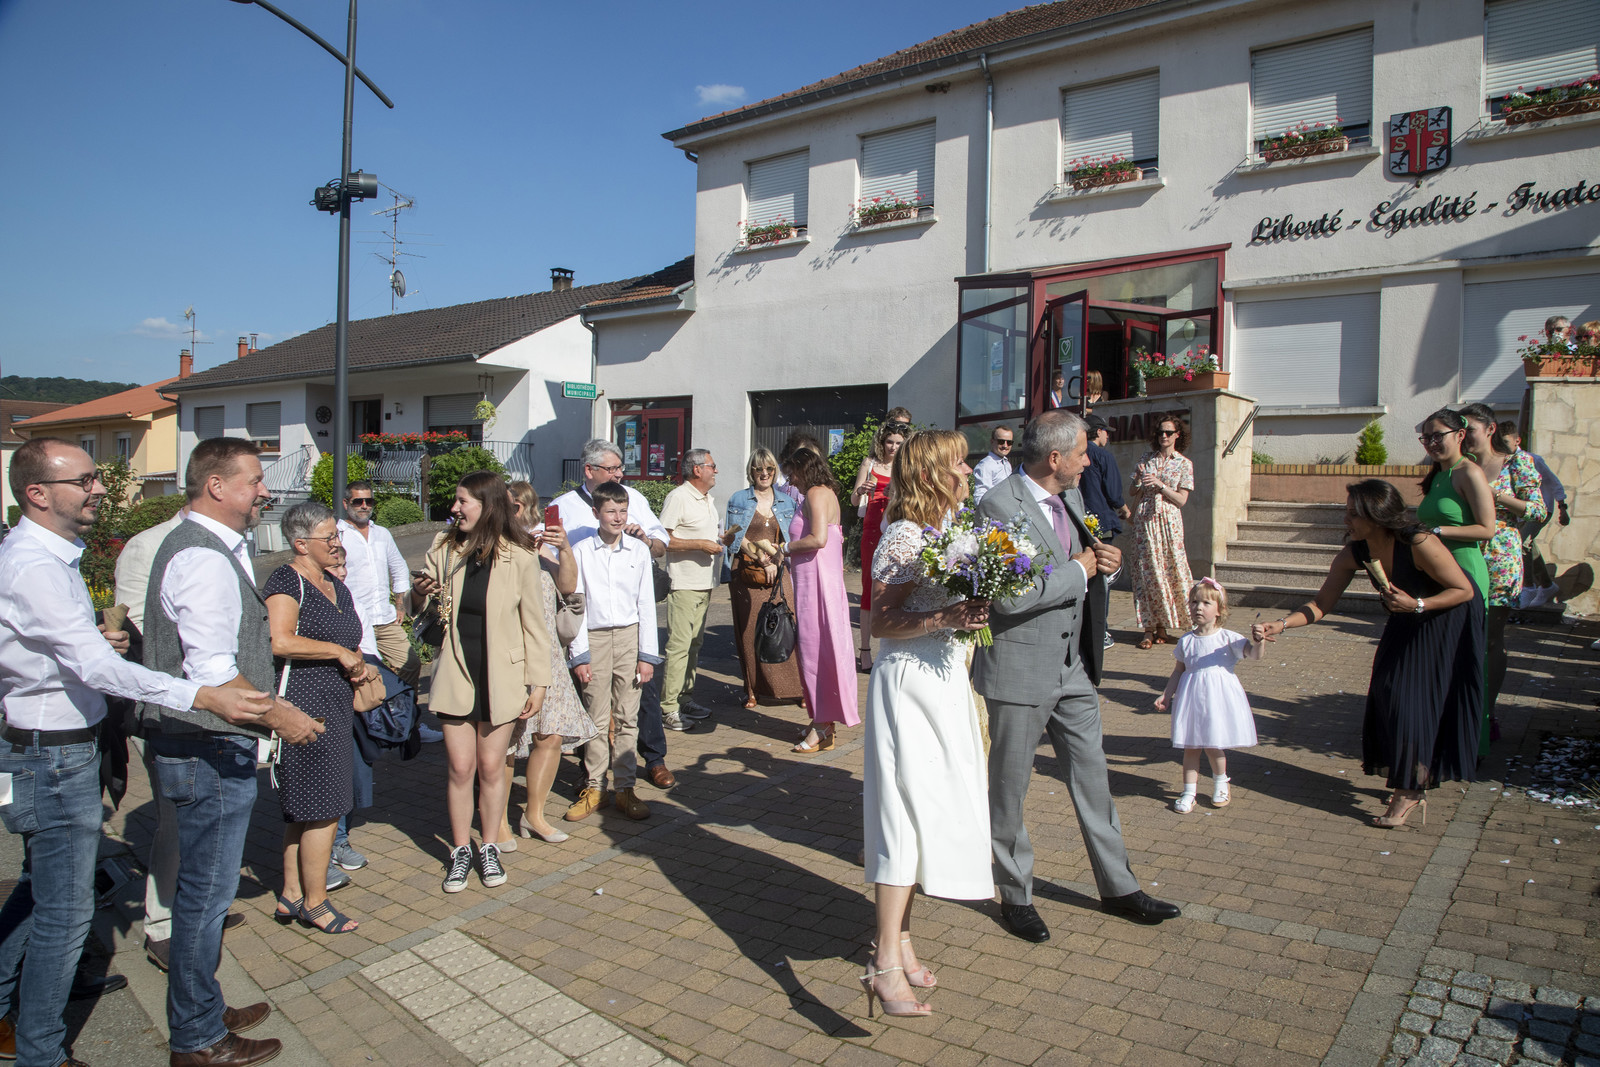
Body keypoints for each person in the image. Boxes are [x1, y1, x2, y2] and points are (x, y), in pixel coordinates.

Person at [0, 438, 279, 1067]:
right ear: (38, 493)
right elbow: (98, 668)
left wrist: (97, 647)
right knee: (66, 918)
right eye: (85, 480)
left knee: (42, 893)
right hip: (51, 753)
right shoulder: (34, 565)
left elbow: (62, 656)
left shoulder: (52, 558)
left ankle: (10, 1013)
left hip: (65, 743)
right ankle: (41, 1051)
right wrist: (203, 696)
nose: (100, 488)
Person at [140, 436, 324, 1067]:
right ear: (215, 485)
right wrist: (283, 716)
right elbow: (213, 671)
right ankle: (196, 1038)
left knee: (203, 895)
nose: (264, 491)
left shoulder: (209, 546)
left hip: (201, 748)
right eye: (253, 481)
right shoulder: (202, 557)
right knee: (205, 897)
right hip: (205, 749)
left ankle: (203, 1005)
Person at [974, 410, 1180, 942]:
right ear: (1055, 458)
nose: (1091, 460)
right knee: (1009, 789)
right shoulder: (998, 507)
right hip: (1020, 671)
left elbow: (1078, 561)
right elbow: (1008, 595)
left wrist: (1101, 560)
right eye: (1084, 452)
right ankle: (1015, 894)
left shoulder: (1071, 498)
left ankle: (1119, 887)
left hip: (1074, 668)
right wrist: (1080, 570)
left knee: (1094, 779)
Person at [1254, 480, 1482, 827]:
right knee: (1387, 691)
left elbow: (1463, 590)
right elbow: (1320, 604)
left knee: (1411, 700)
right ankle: (1410, 775)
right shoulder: (1354, 552)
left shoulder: (1419, 542)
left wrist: (1417, 603)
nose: (1346, 519)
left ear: (1376, 515)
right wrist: (1280, 625)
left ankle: (1410, 790)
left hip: (1445, 615)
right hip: (1406, 614)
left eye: (1353, 513)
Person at [859, 430, 994, 1020]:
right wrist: (949, 614)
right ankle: (884, 963)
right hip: (908, 684)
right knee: (902, 815)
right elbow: (881, 624)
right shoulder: (907, 536)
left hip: (944, 682)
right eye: (958, 463)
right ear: (932, 472)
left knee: (927, 811)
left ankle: (903, 944)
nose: (968, 470)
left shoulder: (950, 532)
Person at [115, 502, 246, 973]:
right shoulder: (147, 545)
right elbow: (129, 630)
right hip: (175, 709)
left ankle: (197, 910)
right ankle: (164, 924)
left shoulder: (229, 545)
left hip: (220, 705)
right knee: (175, 822)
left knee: (206, 825)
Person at [410, 471, 551, 894]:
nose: (454, 509)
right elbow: (416, 605)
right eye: (455, 502)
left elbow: (535, 626)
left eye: (462, 502)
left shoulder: (521, 556)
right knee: (460, 767)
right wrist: (419, 592)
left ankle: (488, 845)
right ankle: (459, 851)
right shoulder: (445, 548)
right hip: (456, 672)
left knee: (492, 768)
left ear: (486, 505)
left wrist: (539, 682)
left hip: (503, 676)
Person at [264, 502, 371, 934]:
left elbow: (348, 636)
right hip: (304, 706)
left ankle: (292, 895)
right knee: (322, 809)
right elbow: (280, 641)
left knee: (308, 809)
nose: (337, 544)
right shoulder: (287, 580)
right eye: (329, 537)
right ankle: (316, 901)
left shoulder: (331, 583)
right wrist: (338, 652)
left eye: (337, 536)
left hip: (336, 701)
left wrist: (358, 658)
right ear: (299, 543)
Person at [551, 439, 675, 790]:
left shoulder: (631, 499)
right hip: (589, 622)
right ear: (589, 471)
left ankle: (652, 759)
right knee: (590, 701)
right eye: (612, 469)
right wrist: (566, 560)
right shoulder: (563, 508)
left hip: (629, 619)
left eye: (621, 468)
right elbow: (544, 556)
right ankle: (591, 775)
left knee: (638, 698)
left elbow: (661, 543)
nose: (620, 474)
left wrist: (643, 541)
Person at [499, 481, 596, 845]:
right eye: (512, 506)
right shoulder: (495, 549)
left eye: (524, 506)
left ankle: (534, 815)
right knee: (506, 741)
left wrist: (563, 547)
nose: (519, 513)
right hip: (510, 654)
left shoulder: (542, 550)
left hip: (549, 654)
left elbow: (568, 588)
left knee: (550, 735)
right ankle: (498, 822)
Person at [331, 481, 418, 875]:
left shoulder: (381, 534)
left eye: (369, 501)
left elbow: (399, 567)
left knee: (408, 666)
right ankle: (335, 840)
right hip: (353, 641)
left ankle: (405, 722)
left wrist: (401, 603)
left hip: (377, 620)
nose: (365, 506)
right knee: (347, 749)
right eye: (358, 501)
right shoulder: (337, 534)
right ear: (346, 504)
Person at [566, 481, 660, 822]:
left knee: (627, 716)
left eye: (623, 511)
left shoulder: (637, 551)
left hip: (629, 638)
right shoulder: (580, 551)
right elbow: (577, 605)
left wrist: (646, 655)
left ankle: (625, 788)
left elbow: (646, 605)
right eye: (611, 511)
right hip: (595, 638)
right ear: (596, 513)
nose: (618, 518)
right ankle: (594, 786)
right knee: (595, 715)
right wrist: (580, 655)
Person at [1458, 404, 1543, 730]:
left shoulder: (1517, 462)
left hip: (1500, 560)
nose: (1465, 436)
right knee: (1462, 635)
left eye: (1471, 429)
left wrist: (1493, 495)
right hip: (1464, 556)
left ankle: (1486, 712)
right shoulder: (1460, 465)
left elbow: (1537, 510)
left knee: (1491, 639)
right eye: (1461, 430)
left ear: (1490, 429)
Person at [1414, 408, 1495, 753]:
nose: (1432, 443)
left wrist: (1437, 530)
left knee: (1465, 659)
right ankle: (1443, 738)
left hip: (1465, 572)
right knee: (1441, 660)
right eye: (1426, 437)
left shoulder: (1468, 473)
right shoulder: (1438, 475)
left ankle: (1470, 745)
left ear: (1459, 435)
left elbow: (1486, 528)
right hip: (1437, 572)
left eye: (1438, 436)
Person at [1154, 579, 1262, 813]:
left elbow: (1254, 655)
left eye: (1205, 602)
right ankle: (1188, 792)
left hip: (1217, 699)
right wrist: (1166, 695)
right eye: (1194, 602)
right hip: (1192, 699)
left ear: (1219, 610)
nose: (1198, 607)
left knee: (1213, 745)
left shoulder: (1228, 638)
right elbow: (1178, 671)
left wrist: (1259, 641)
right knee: (1191, 746)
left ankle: (1221, 782)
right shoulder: (1186, 641)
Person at [779, 447, 861, 753]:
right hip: (821, 583)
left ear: (805, 470)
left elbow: (818, 539)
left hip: (816, 586)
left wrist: (784, 548)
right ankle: (824, 721)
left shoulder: (815, 493)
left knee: (815, 654)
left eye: (793, 474)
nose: (792, 481)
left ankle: (822, 725)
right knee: (824, 651)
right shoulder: (826, 493)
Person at [658, 450, 736, 729]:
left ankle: (685, 698)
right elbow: (663, 539)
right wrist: (700, 545)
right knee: (679, 646)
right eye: (712, 466)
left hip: (705, 583)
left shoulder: (706, 499)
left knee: (694, 645)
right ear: (696, 470)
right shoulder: (678, 497)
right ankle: (668, 708)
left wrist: (720, 539)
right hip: (684, 584)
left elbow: (701, 534)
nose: (716, 471)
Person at [723, 449, 803, 709]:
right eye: (759, 469)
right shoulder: (739, 499)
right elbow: (735, 536)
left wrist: (775, 559)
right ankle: (753, 690)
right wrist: (761, 559)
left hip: (779, 569)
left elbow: (790, 538)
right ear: (751, 472)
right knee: (750, 632)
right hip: (747, 571)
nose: (764, 474)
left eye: (769, 469)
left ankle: (795, 688)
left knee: (786, 626)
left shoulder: (787, 502)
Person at [1129, 417, 1195, 648]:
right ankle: (1150, 628)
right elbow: (1132, 491)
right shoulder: (1147, 458)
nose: (1163, 436)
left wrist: (1160, 484)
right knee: (1147, 572)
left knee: (1170, 569)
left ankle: (1170, 624)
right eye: (1160, 433)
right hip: (1145, 521)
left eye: (1168, 432)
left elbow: (1182, 500)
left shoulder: (1184, 463)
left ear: (1178, 434)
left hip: (1169, 522)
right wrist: (1139, 478)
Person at [850, 423, 906, 671]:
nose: (893, 447)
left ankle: (891, 648)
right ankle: (864, 649)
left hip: (895, 528)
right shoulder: (869, 463)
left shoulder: (906, 465)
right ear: (882, 442)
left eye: (898, 443)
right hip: (873, 529)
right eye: (890, 442)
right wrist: (862, 489)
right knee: (868, 587)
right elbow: (854, 500)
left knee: (895, 585)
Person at [1501, 423, 1567, 608]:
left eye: (1506, 442)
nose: (1502, 446)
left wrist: (1563, 507)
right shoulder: (1503, 462)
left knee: (1521, 543)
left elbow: (1554, 483)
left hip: (1541, 509)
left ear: (1517, 440)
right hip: (1520, 513)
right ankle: (1547, 586)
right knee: (1530, 546)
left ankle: (1527, 587)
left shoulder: (1532, 459)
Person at [970, 425, 1014, 505]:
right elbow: (980, 498)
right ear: (992, 441)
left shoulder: (1007, 464)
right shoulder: (986, 465)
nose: (1005, 446)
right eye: (1001, 441)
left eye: (1009, 442)